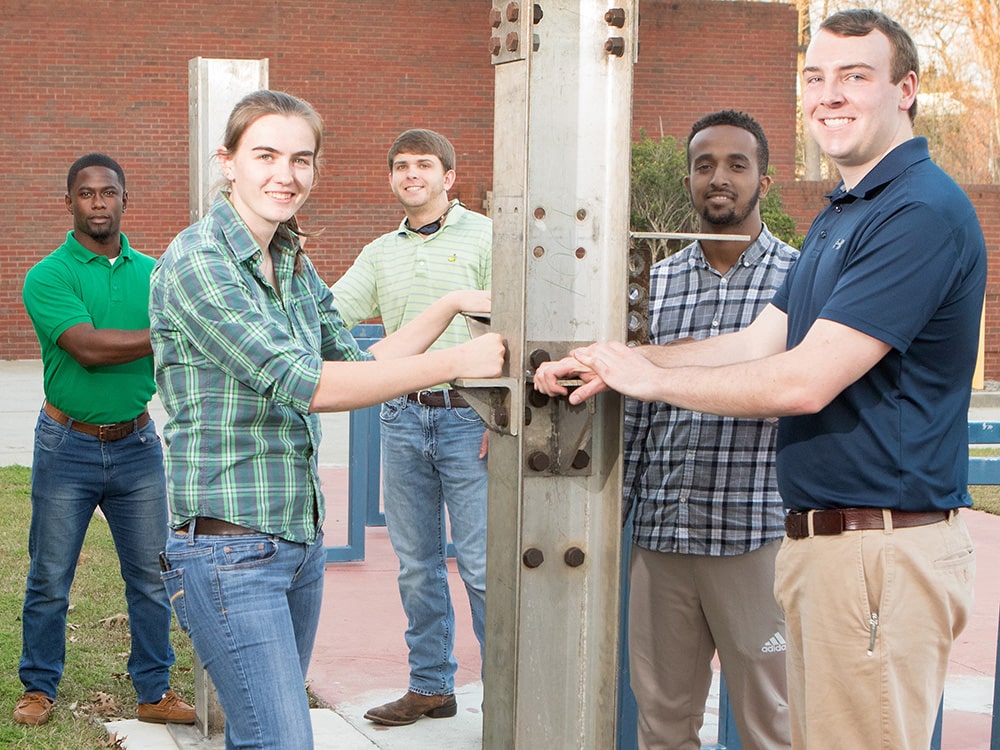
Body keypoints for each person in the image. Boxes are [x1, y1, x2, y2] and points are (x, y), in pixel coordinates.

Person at [535, 10, 983, 749]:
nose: (829, 95)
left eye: (854, 77)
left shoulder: (918, 212)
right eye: (816, 78)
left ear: (905, 90)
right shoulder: (846, 213)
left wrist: (648, 382)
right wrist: (616, 360)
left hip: (878, 551)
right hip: (827, 550)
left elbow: (802, 381)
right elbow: (754, 342)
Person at [149, 92, 503, 750]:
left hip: (296, 544)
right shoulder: (199, 263)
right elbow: (307, 382)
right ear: (227, 163)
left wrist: (450, 303)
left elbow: (356, 358)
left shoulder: (289, 260)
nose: (285, 174)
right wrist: (459, 358)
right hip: (230, 551)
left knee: (257, 737)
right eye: (266, 155)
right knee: (283, 741)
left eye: (301, 159)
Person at [625, 110, 795, 750]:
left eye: (736, 164)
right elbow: (637, 413)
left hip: (756, 536)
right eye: (704, 165)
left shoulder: (801, 280)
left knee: (770, 722)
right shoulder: (655, 283)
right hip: (663, 538)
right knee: (663, 722)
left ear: (765, 182)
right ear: (689, 179)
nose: (718, 177)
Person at [17, 153, 195, 727]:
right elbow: (89, 348)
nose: (99, 203)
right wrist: (169, 329)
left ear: (125, 199)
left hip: (138, 446)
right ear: (68, 202)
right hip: (66, 444)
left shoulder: (157, 273)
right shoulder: (48, 275)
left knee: (149, 574)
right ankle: (39, 688)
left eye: (109, 192)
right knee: (50, 575)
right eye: (87, 194)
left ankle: (153, 691)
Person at [330, 128, 492, 726]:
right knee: (417, 564)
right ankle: (430, 686)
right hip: (401, 416)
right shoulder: (380, 251)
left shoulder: (489, 236)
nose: (411, 174)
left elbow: (518, 320)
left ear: (449, 177)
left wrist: (502, 412)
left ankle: (508, 691)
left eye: (424, 165)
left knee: (480, 566)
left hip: (471, 416)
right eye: (401, 166)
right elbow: (331, 312)